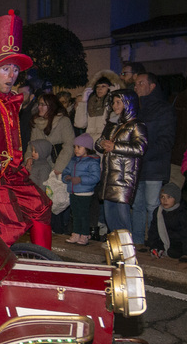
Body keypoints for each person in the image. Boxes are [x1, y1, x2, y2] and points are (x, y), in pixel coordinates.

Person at [0, 10, 52, 248]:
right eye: (6, 69)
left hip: (12, 173)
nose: (12, 75)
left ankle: (42, 265)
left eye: (15, 70)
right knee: (9, 225)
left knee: (41, 206)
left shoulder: (12, 98)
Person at [132, 72, 176, 245]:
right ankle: (136, 242)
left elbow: (166, 141)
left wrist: (141, 152)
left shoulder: (164, 109)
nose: (137, 87)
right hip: (137, 166)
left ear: (152, 86)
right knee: (137, 207)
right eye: (135, 84)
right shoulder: (135, 109)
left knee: (152, 206)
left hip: (154, 167)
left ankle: (154, 242)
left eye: (141, 83)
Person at [96, 90, 147, 238]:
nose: (115, 105)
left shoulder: (136, 125)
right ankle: (117, 251)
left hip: (124, 178)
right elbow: (99, 143)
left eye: (119, 102)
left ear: (128, 104)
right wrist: (102, 143)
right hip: (109, 176)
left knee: (122, 218)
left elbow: (141, 148)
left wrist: (115, 147)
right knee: (110, 215)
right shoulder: (113, 124)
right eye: (113, 102)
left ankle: (128, 250)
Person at [62, 134, 100, 245]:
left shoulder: (92, 161)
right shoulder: (73, 160)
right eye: (75, 147)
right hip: (73, 191)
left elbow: (95, 177)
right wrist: (66, 177)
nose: (76, 150)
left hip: (85, 192)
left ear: (87, 148)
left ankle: (84, 234)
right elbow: (66, 171)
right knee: (75, 213)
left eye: (79, 147)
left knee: (83, 214)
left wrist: (80, 179)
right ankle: (75, 233)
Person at [28, 93, 76, 179]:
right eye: (39, 104)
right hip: (40, 166)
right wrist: (28, 158)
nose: (39, 107)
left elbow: (69, 145)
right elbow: (32, 144)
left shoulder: (63, 121)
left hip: (57, 165)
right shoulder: (36, 122)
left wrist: (59, 167)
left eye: (43, 105)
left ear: (51, 106)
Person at [147, 182, 187, 261]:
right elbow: (154, 229)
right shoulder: (158, 211)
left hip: (179, 242)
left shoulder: (182, 213)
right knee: (155, 247)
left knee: (174, 252)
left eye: (169, 197)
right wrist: (152, 245)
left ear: (176, 198)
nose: (165, 200)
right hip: (166, 240)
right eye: (162, 197)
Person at [74, 71, 123, 143]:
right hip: (89, 143)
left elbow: (114, 122)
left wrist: (113, 98)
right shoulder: (91, 102)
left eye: (103, 86)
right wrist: (84, 102)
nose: (99, 89)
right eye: (97, 86)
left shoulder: (111, 104)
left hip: (104, 142)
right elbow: (80, 124)